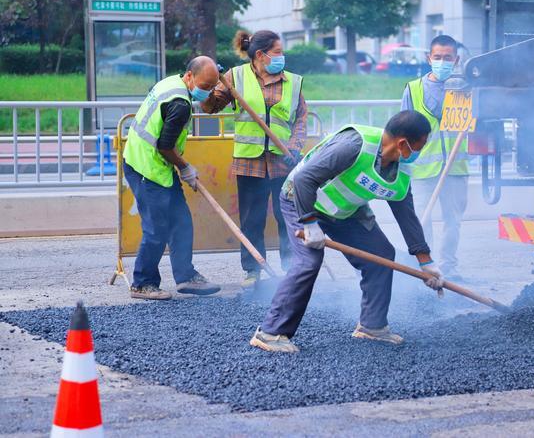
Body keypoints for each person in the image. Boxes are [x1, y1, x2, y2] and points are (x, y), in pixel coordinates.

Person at [249, 111, 445, 353]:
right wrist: (309, 223)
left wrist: (426, 261)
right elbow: (303, 180)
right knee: (309, 261)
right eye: (421, 145)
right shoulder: (354, 146)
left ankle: (372, 326)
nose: (421, 152)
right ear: (403, 144)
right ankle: (270, 332)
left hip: (344, 209)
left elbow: (407, 216)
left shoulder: (400, 169)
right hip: (301, 201)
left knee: (381, 254)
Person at [205, 30, 307, 288]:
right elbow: (210, 107)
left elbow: (301, 118)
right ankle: (253, 270)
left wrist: (295, 146)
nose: (282, 57)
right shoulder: (235, 77)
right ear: (261, 55)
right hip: (249, 162)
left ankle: (291, 268)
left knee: (288, 217)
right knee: (252, 219)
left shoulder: (292, 82)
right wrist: (210, 84)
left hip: (283, 161)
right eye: (278, 52)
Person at [122, 56, 222, 300]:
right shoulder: (180, 103)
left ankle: (186, 276)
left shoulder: (171, 82)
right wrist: (186, 167)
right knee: (156, 228)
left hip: (158, 167)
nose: (206, 93)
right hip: (147, 167)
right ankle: (142, 284)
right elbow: (165, 145)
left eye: (211, 88)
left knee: (181, 221)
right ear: (189, 76)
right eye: (204, 86)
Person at [401, 35, 469, 280]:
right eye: (437, 57)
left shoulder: (465, 88)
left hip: (455, 168)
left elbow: (475, 123)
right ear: (428, 58)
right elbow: (403, 128)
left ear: (456, 59)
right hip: (422, 170)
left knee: (453, 222)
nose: (442, 62)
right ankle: (426, 266)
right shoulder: (413, 89)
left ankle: (449, 267)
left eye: (447, 58)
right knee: (420, 220)